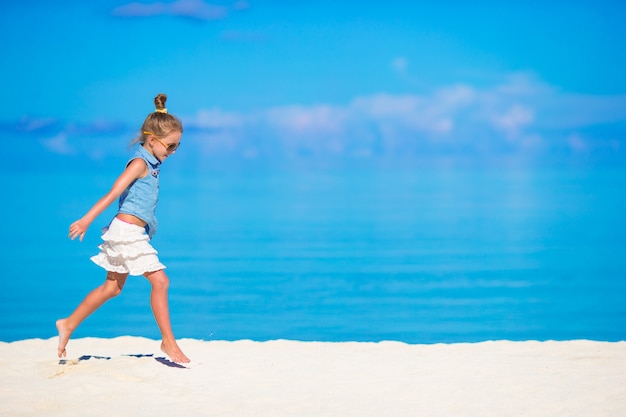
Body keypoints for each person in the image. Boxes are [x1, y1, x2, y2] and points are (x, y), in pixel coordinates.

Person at [56, 93, 190, 363]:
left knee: (112, 289)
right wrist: (86, 219)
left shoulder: (152, 163)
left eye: (177, 146)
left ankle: (68, 324)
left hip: (129, 231)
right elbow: (113, 192)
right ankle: (168, 342)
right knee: (161, 281)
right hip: (126, 232)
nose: (173, 152)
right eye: (171, 146)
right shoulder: (140, 163)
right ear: (152, 140)